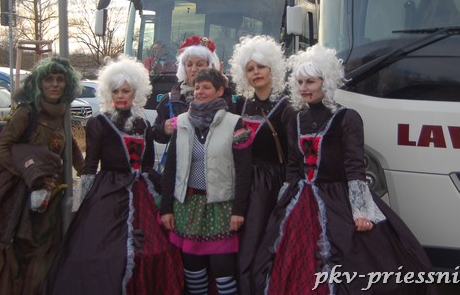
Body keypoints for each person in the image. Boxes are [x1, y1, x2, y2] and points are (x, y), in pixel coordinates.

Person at [252, 45, 435, 294]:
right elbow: (294, 165)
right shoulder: (294, 118)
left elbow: (354, 165)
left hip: (337, 198)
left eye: (311, 82)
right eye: (300, 82)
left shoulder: (347, 118)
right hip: (299, 200)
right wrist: (282, 203)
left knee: (350, 259)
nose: (304, 87)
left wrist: (360, 211)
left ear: (325, 82)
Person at [44, 55, 183, 294]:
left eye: (125, 91)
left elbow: (147, 163)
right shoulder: (98, 123)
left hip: (141, 193)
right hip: (108, 193)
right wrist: (81, 204)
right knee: (101, 253)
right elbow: (90, 165)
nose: (120, 95)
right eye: (115, 91)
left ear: (135, 93)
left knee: (156, 249)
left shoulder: (143, 124)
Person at [0, 56, 85, 295]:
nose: (55, 84)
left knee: (48, 251)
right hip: (23, 196)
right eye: (48, 79)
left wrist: (87, 174)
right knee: (23, 253)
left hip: (52, 198)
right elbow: (1, 148)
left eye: (60, 79)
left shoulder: (63, 113)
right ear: (38, 83)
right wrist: (30, 175)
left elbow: (70, 145)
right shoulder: (26, 112)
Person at [161, 68, 253, 295]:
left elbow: (244, 171)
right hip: (187, 206)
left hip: (221, 207)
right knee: (193, 268)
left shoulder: (235, 124)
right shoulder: (182, 123)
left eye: (206, 87)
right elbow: (171, 168)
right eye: (197, 87)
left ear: (220, 91)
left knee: (223, 269)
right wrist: (166, 208)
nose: (200, 92)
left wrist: (239, 210)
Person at [228, 35, 296, 295]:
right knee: (239, 243)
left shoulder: (287, 107)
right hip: (244, 180)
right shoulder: (244, 103)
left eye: (261, 67)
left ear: (272, 69)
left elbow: (295, 155)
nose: (256, 72)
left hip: (270, 186)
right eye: (250, 69)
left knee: (257, 245)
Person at [151, 35, 233, 146]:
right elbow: (155, 134)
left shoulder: (224, 96)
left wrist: (220, 86)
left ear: (210, 66)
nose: (194, 69)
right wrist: (163, 128)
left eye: (200, 64)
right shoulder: (170, 100)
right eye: (189, 64)